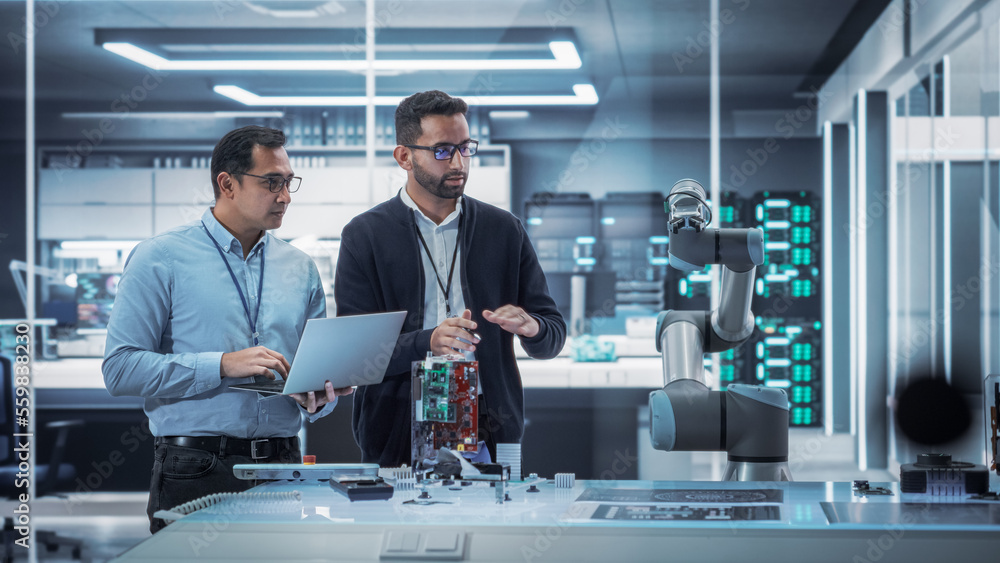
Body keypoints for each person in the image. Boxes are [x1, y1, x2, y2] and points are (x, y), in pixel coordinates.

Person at [103, 125, 353, 533]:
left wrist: (320, 397)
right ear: (227, 183)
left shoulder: (301, 268)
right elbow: (120, 369)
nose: (285, 196)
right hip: (196, 468)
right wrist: (220, 364)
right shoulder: (160, 258)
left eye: (289, 183)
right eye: (272, 182)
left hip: (282, 466)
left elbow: (310, 379)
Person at [335, 90, 566, 467]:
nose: (458, 161)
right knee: (399, 528)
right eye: (442, 150)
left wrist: (533, 328)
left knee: (492, 526)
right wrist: (428, 341)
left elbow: (552, 336)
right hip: (396, 434)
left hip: (492, 430)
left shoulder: (504, 230)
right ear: (404, 157)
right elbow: (356, 355)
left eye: (465, 147)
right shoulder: (365, 236)